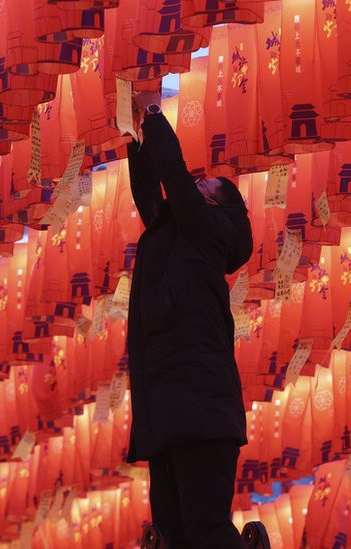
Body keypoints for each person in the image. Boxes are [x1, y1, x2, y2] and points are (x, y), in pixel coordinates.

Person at [124, 90, 259, 549]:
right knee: (172, 538)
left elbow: (176, 183)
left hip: (201, 406)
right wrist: (136, 131)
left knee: (205, 531)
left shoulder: (210, 236)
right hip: (165, 411)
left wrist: (156, 113)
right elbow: (151, 193)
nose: (197, 188)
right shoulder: (172, 236)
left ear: (221, 209)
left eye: (208, 189)